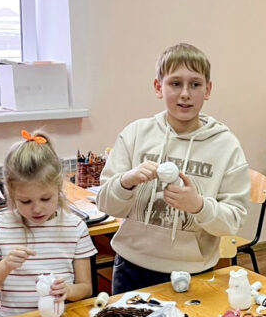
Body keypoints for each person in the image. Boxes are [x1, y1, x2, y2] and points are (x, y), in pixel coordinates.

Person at [96, 43, 249, 294]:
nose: (185, 94)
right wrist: (126, 182)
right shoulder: (136, 134)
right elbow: (105, 204)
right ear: (159, 87)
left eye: (195, 84)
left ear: (208, 89)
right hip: (131, 268)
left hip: (193, 272)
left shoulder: (225, 146)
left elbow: (233, 221)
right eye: (175, 83)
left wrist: (198, 206)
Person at [0, 130, 95, 317]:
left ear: (59, 189)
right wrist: (5, 265)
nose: (37, 209)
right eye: (25, 201)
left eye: (45, 199)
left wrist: (69, 290)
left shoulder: (75, 227)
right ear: (11, 195)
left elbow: (86, 288)